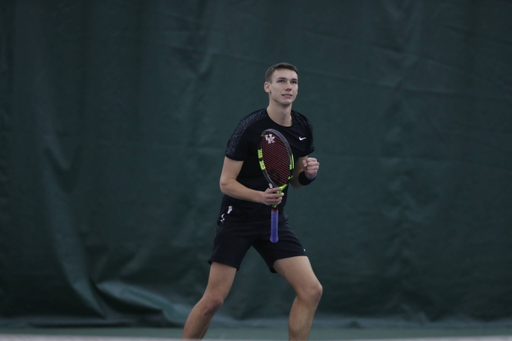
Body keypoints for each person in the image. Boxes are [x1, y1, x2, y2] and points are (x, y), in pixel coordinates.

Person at [182, 62, 322, 341]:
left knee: (311, 290)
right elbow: (226, 182)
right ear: (268, 88)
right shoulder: (249, 128)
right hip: (238, 218)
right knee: (213, 301)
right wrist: (259, 196)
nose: (288, 87)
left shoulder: (303, 126)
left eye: (293, 82)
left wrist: (307, 175)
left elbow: (292, 180)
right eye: (281, 81)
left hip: (273, 219)